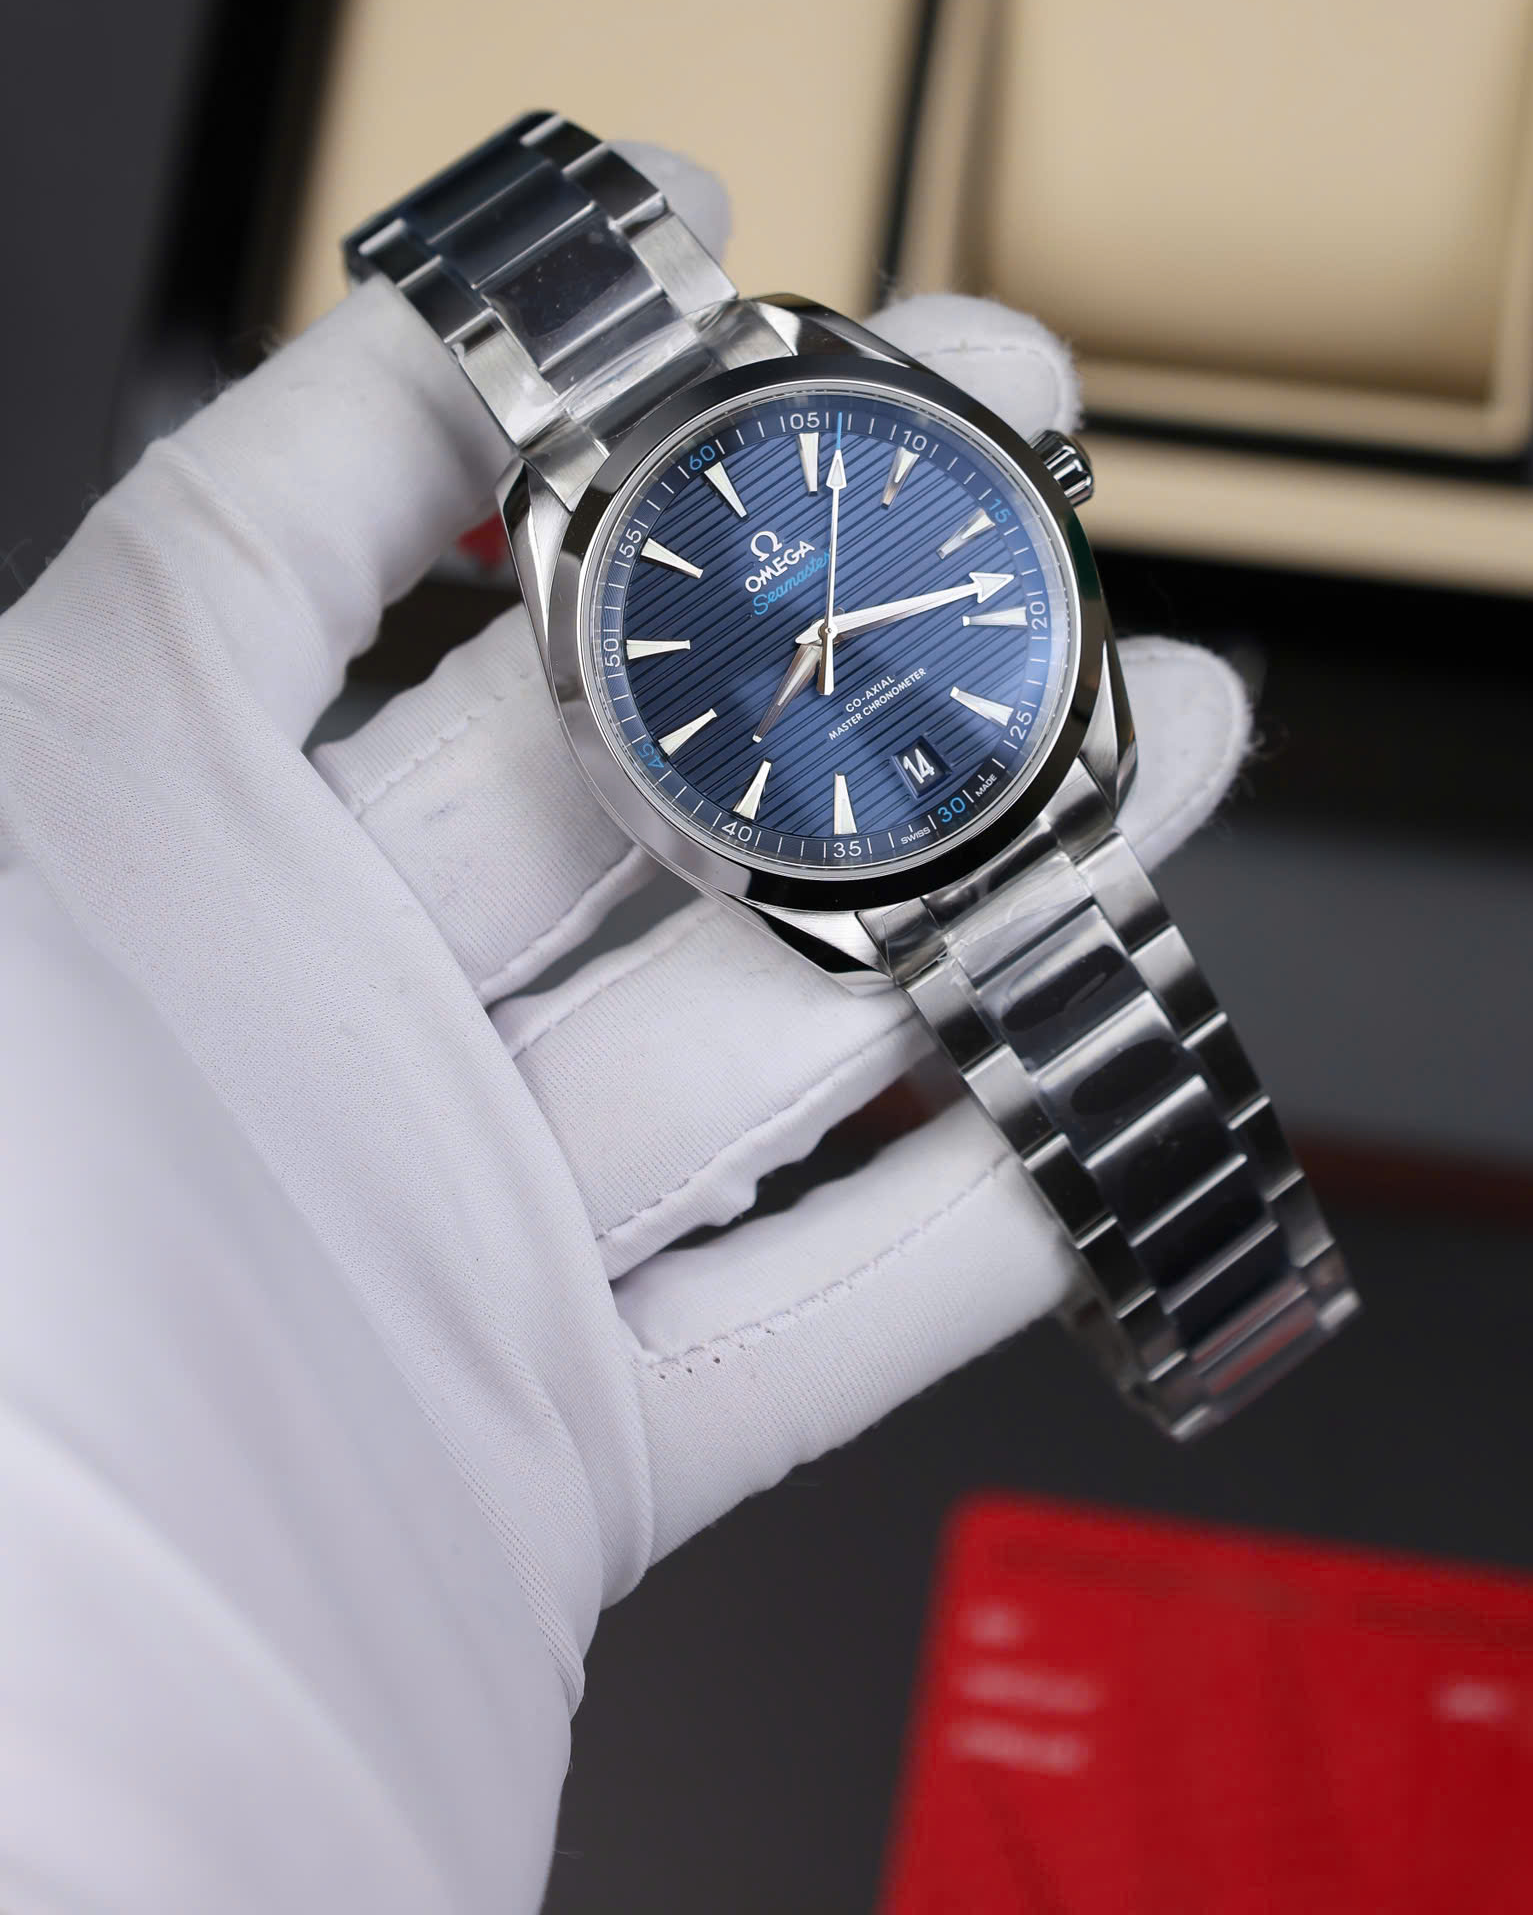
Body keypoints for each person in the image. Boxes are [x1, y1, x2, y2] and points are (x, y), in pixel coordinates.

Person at [0, 148, 1248, 1911]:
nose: (827, 634)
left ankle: (1237, 1304)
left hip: (935, 760)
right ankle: (1240, 1309)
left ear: (1043, 497)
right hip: (836, 787)